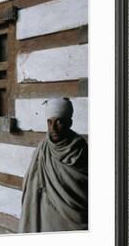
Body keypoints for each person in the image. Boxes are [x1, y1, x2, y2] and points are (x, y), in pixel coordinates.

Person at [18, 98, 88, 233]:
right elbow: (31, 182)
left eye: (59, 121)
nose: (53, 128)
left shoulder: (80, 149)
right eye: (49, 122)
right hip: (44, 212)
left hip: (71, 220)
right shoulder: (43, 148)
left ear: (69, 123)